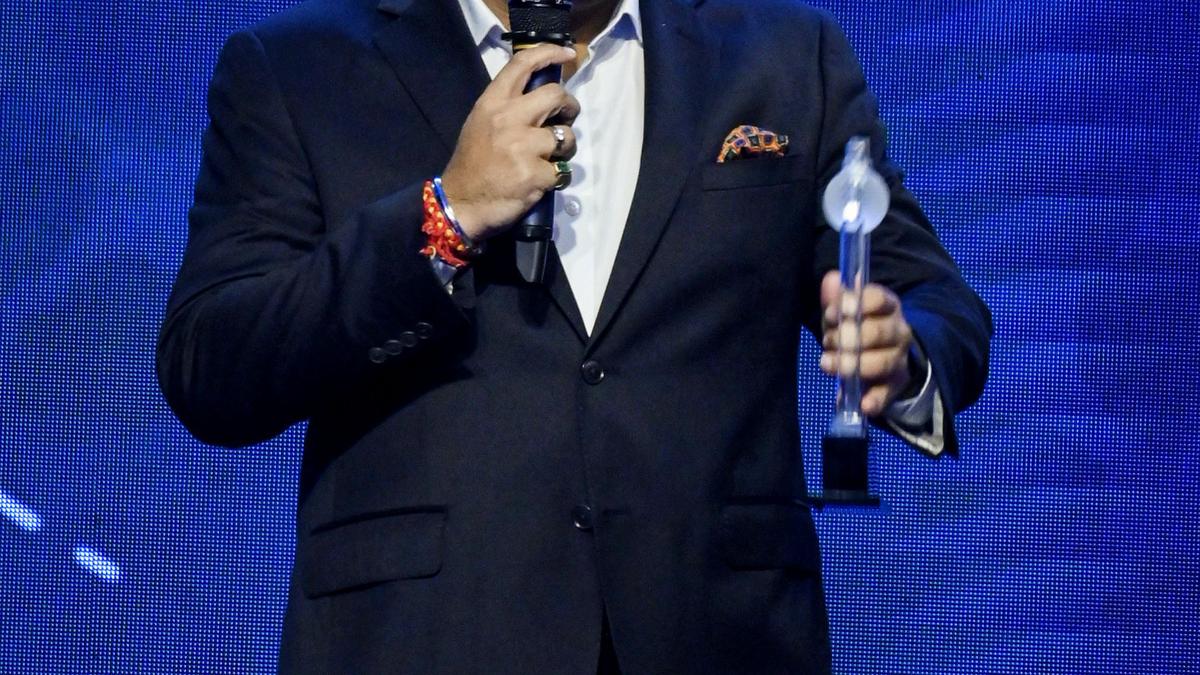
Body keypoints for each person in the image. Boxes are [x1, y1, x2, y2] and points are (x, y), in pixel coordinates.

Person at [157, 0, 991, 671]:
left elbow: (931, 298)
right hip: (427, 634)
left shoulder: (782, 55)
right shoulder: (299, 67)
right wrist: (445, 216)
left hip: (718, 631)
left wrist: (901, 355)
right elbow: (213, 360)